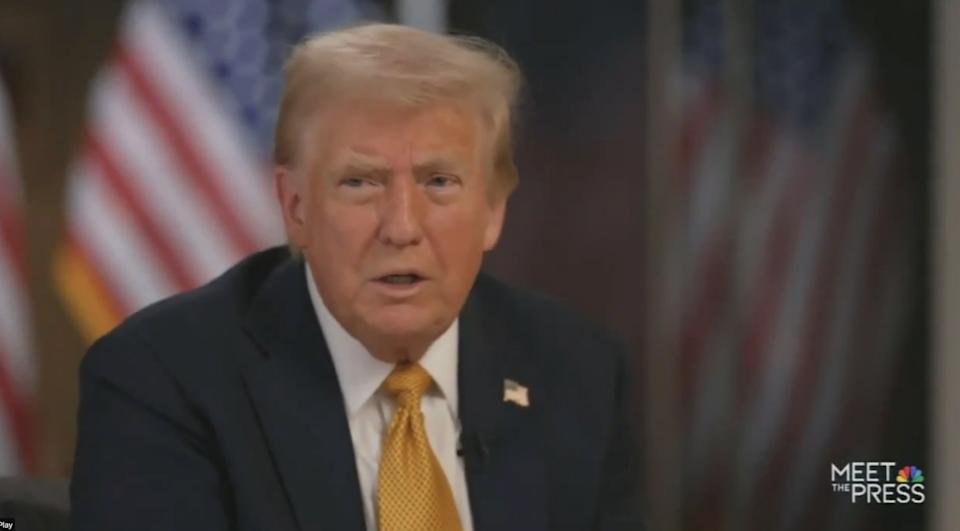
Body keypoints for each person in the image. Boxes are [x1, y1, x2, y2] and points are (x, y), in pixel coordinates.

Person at [70, 23, 643, 531]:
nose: (401, 227)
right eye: (360, 182)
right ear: (295, 208)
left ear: (493, 211)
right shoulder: (164, 381)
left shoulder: (577, 373)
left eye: (439, 182)